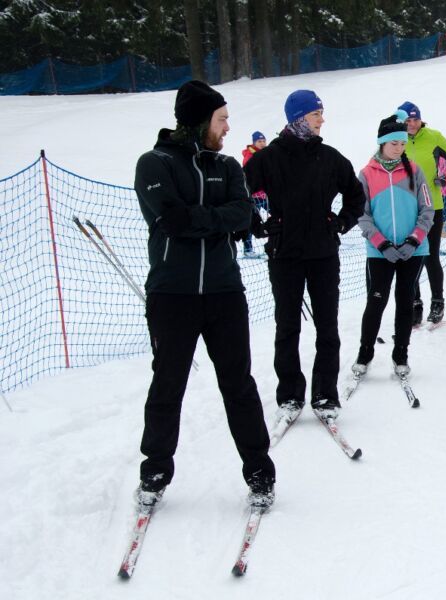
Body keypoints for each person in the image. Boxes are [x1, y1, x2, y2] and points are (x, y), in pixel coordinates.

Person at [133, 80, 276, 511]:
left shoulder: (229, 165)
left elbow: (243, 215)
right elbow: (172, 220)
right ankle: (155, 472)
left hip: (224, 292)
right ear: (199, 121)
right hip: (172, 294)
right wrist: (216, 218)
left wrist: (208, 218)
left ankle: (259, 472)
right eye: (221, 119)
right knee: (168, 383)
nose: (229, 127)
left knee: (239, 384)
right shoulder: (153, 163)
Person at [243, 89, 365, 422]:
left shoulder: (330, 158)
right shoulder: (269, 158)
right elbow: (239, 192)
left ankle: (325, 394)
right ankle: (290, 395)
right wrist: (259, 226)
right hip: (284, 255)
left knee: (328, 327)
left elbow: (357, 196)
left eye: (320, 114)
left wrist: (340, 222)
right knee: (287, 327)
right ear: (299, 118)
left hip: (324, 254)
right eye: (316, 115)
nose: (322, 120)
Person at [353, 110, 434, 375]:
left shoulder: (415, 171)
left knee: (405, 301)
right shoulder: (366, 174)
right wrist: (382, 243)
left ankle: (401, 355)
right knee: (376, 301)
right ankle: (365, 354)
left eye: (402, 143)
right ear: (382, 143)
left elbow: (427, 210)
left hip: (413, 249)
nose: (399, 148)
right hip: (380, 252)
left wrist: (414, 239)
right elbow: (361, 215)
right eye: (393, 143)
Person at [397, 101, 446, 325]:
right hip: (405, 207)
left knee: (430, 256)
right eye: (407, 120)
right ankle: (415, 303)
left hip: (432, 205)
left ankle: (437, 302)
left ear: (420, 119)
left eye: (415, 119)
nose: (412, 124)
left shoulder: (433, 136)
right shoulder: (396, 139)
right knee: (410, 255)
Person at [240, 131, 268, 258]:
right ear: (254, 143)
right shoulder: (250, 156)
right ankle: (248, 249)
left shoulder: (266, 154)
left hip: (264, 195)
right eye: (259, 141)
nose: (262, 143)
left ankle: (276, 244)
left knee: (279, 216)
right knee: (250, 220)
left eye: (263, 141)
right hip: (253, 196)